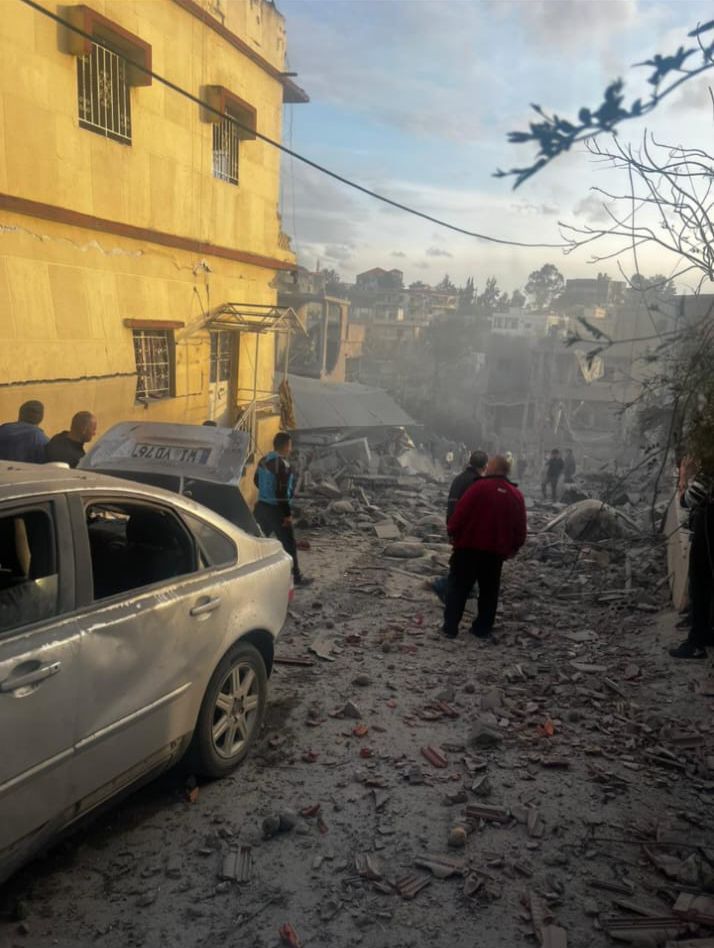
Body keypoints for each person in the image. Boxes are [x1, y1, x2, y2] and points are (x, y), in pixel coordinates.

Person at [443, 454, 527, 639]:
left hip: (468, 548)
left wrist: (452, 532)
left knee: (459, 587)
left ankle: (450, 628)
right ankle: (482, 629)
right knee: (489, 591)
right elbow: (520, 527)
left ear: (493, 468)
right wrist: (513, 548)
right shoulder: (516, 495)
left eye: (489, 466)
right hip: (495, 553)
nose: (486, 469)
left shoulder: (478, 487)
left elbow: (460, 514)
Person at [253, 432, 311, 586]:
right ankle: (296, 577)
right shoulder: (283, 466)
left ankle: (256, 577)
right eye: (290, 445)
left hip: (260, 508)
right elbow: (281, 493)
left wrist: (266, 493)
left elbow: (256, 480)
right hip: (276, 510)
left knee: (257, 542)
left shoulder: (263, 461)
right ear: (286, 446)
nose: (291, 449)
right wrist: (286, 515)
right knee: (289, 544)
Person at [669, 463, 714, 659]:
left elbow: (687, 500)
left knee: (700, 585)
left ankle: (697, 643)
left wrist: (683, 479)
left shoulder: (709, 467)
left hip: (708, 534)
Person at [432, 450, 489, 603]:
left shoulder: (458, 479)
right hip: (471, 531)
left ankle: (464, 591)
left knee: (462, 563)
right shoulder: (479, 483)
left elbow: (451, 504)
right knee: (467, 565)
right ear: (484, 466)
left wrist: (450, 528)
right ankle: (443, 586)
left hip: (457, 528)